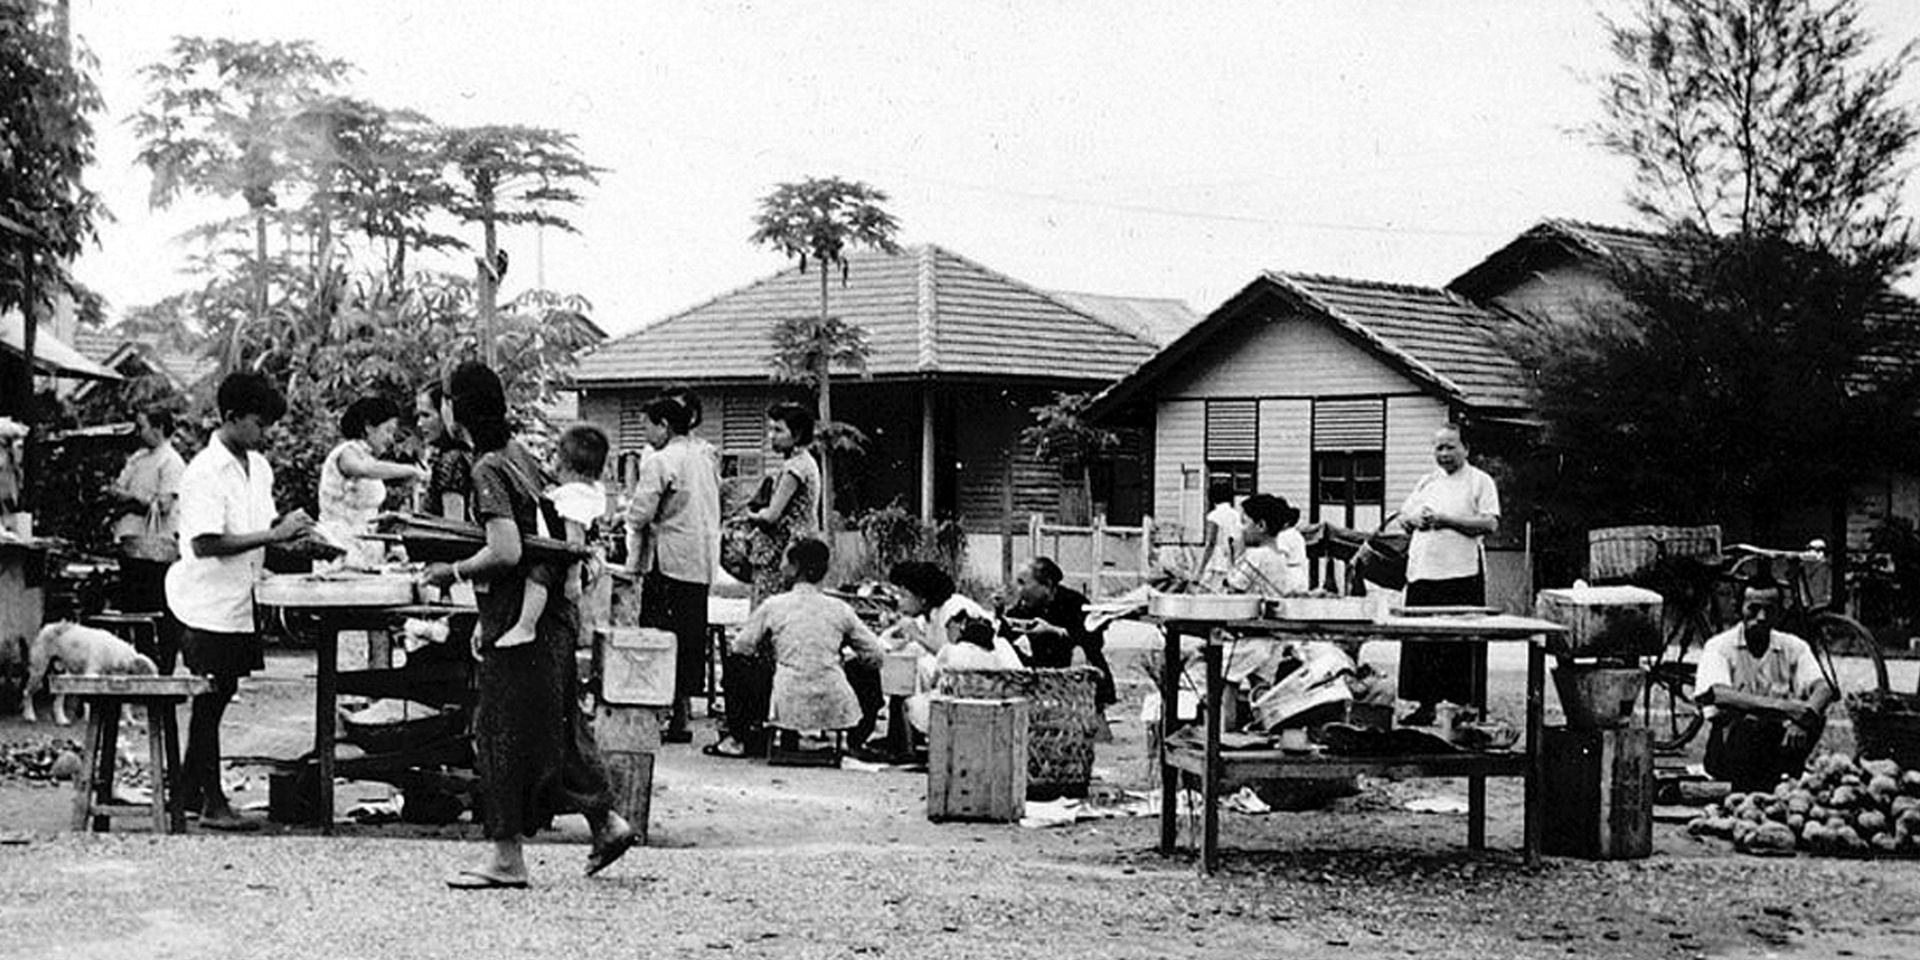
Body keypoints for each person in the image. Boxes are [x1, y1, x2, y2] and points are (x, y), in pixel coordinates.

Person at [420, 361, 634, 889]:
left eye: (445, 402)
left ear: (457, 409)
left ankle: (506, 857)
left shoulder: (487, 468)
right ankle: (606, 822)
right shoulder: (521, 456)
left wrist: (452, 571)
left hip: (522, 623)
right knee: (555, 729)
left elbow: (505, 549)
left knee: (501, 737)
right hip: (547, 617)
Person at [165, 373, 316, 830]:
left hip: (240, 598)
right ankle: (212, 801)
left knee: (223, 691)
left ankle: (192, 790)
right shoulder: (204, 472)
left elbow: (261, 532)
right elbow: (206, 542)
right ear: (230, 418)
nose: (264, 432)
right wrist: (275, 534)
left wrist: (302, 542)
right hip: (204, 601)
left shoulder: (260, 467)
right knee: (210, 696)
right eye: (258, 422)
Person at [708, 538, 882, 758]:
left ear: (795, 567)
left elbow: (741, 646)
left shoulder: (774, 605)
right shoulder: (841, 609)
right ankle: (855, 740)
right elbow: (875, 655)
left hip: (786, 700)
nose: (780, 567)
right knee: (865, 668)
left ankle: (739, 738)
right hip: (834, 702)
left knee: (737, 665)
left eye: (784, 561)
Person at [624, 391, 721, 744]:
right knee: (690, 638)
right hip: (700, 557)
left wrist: (630, 518)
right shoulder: (704, 456)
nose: (645, 436)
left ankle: (663, 714)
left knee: (660, 638)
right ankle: (680, 716)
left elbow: (640, 513)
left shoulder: (661, 461)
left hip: (669, 561)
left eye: (647, 427)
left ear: (664, 425)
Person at [1395, 424, 1500, 726]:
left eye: (1450, 447)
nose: (1444, 454)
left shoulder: (1480, 481)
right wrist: (1415, 519)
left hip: (1461, 572)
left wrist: (1446, 520)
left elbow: (1489, 524)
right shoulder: (1427, 481)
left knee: (1459, 643)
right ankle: (1425, 706)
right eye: (1439, 447)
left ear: (1465, 448)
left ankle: (1462, 709)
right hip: (1424, 572)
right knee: (1421, 642)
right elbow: (1404, 517)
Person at [1694, 578, 1836, 792]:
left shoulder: (1794, 646)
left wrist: (1804, 720)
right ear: (1739, 609)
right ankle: (1757, 784)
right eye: (1753, 608)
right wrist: (1784, 707)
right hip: (1733, 748)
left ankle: (1784, 776)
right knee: (1747, 722)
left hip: (1778, 743)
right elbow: (1719, 694)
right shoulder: (1719, 646)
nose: (1761, 617)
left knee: (1814, 716)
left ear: (1779, 613)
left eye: (1769, 610)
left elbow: (1823, 688)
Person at [498, 424, 610, 649]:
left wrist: (573, 578)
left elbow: (574, 541)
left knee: (538, 574)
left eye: (556, 456)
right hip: (574, 559)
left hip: (569, 562)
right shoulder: (583, 490)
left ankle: (526, 625)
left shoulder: (574, 496)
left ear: (567, 464)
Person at [109, 407, 186, 671]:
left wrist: (132, 500)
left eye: (143, 426)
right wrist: (132, 500)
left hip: (156, 549)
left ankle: (164, 669)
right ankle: (142, 668)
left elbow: (163, 505)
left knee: (159, 612)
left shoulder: (171, 461)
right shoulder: (139, 458)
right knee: (134, 613)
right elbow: (117, 489)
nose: (139, 433)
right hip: (131, 544)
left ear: (159, 428)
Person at [317, 395, 426, 567]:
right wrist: (411, 471)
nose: (391, 438)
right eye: (388, 431)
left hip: (366, 545)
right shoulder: (346, 452)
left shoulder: (368, 458)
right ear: (369, 427)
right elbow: (363, 469)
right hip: (339, 543)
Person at [1002, 556, 1117, 709]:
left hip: (1083, 687)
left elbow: (1094, 642)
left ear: (1047, 585)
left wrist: (1055, 631)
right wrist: (999, 612)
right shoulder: (1027, 607)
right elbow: (1003, 636)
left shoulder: (1075, 602)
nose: (1019, 590)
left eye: (1023, 583)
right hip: (1047, 683)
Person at [744, 401, 821, 603]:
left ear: (797, 434)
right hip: (800, 550)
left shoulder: (794, 469)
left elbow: (771, 516)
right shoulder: (806, 462)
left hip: (784, 552)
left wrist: (750, 516)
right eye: (770, 429)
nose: (771, 436)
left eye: (778, 430)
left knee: (771, 612)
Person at [1224, 493, 1308, 598]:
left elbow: (1233, 588)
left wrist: (1236, 553)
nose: (1241, 528)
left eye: (1244, 522)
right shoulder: (1280, 556)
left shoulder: (1257, 556)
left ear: (1261, 526)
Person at [416, 383, 472, 522]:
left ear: (445, 415)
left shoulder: (451, 461)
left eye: (426, 415)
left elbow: (453, 527)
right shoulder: (464, 454)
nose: (419, 423)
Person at [1197, 481, 1242, 588]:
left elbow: (1211, 543)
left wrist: (1201, 567)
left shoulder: (1213, 516)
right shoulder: (1236, 515)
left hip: (1216, 561)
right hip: (1231, 562)